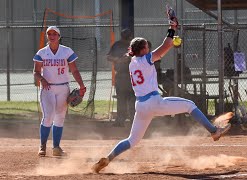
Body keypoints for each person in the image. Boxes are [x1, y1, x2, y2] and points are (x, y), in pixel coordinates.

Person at [91, 17, 232, 173]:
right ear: (142, 50)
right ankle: (214, 132)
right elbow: (166, 45)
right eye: (146, 46)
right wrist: (171, 28)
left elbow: (152, 50)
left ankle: (108, 158)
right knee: (189, 105)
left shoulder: (132, 62)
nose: (148, 48)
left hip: (141, 106)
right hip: (153, 102)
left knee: (132, 140)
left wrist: (171, 34)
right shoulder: (145, 59)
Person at [33, 26, 86, 156]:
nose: (52, 36)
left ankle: (56, 148)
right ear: (47, 36)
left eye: (54, 34)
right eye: (49, 34)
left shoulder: (66, 51)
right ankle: (42, 146)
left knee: (60, 117)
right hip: (48, 88)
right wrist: (41, 79)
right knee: (49, 116)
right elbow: (36, 72)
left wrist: (81, 86)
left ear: (59, 36)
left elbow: (74, 70)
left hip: (63, 88)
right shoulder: (42, 52)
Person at [107, 29, 135, 127]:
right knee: (121, 99)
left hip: (132, 75)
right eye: (125, 37)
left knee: (133, 99)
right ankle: (120, 120)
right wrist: (118, 60)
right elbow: (108, 57)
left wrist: (130, 58)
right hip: (121, 75)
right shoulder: (117, 45)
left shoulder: (134, 44)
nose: (127, 39)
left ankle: (133, 121)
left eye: (128, 37)